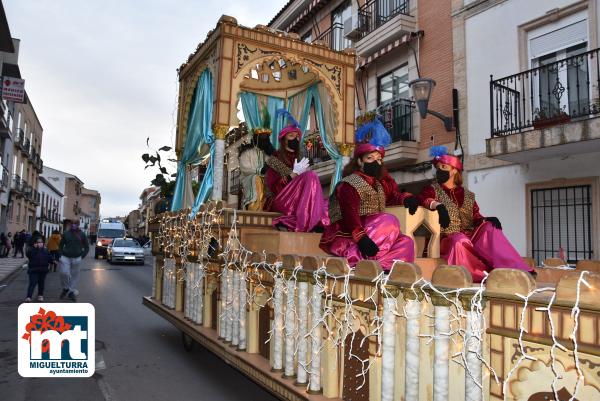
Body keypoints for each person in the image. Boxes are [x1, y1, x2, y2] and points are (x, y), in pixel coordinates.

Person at [417, 146, 535, 282]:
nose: (439, 170)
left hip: (469, 235)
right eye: (438, 167)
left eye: (444, 167)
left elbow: (476, 217)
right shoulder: (432, 189)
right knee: (459, 240)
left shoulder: (468, 195)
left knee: (490, 228)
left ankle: (517, 270)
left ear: (454, 170)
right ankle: (482, 275)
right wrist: (438, 206)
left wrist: (487, 220)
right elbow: (425, 200)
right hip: (445, 239)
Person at [320, 118, 419, 271]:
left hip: (377, 233)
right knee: (389, 220)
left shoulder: (379, 184)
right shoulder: (348, 184)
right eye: (370, 158)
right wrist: (361, 238)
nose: (375, 162)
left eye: (378, 159)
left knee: (407, 242)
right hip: (351, 235)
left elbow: (393, 197)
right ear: (360, 161)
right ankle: (357, 258)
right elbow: (349, 214)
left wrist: (407, 198)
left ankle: (379, 267)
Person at [264, 110, 328, 232]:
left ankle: (312, 221)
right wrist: (292, 175)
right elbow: (274, 189)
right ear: (284, 139)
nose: (296, 139)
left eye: (297, 136)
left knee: (329, 203)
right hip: (282, 200)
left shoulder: (301, 158)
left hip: (300, 200)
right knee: (311, 175)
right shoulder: (275, 159)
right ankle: (308, 223)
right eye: (291, 136)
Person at [239, 129, 273, 211]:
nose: (264, 140)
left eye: (266, 138)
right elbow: (245, 168)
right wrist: (260, 170)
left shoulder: (269, 154)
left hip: (266, 178)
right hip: (250, 178)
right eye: (262, 138)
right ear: (256, 139)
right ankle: (255, 207)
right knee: (256, 178)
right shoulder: (247, 153)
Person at [58, 221, 89, 301]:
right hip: (65, 256)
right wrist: (60, 255)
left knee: (75, 275)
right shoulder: (66, 233)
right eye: (72, 224)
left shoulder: (82, 234)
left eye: (75, 224)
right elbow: (61, 245)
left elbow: (87, 247)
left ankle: (71, 291)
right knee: (63, 273)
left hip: (77, 257)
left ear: (78, 225)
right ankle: (65, 288)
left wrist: (82, 256)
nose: (73, 225)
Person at [25, 235, 53, 302]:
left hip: (43, 270)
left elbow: (49, 258)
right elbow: (29, 255)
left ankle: (40, 295)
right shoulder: (31, 250)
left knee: (41, 283)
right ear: (35, 243)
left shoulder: (45, 250)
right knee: (32, 283)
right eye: (38, 242)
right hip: (33, 270)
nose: (40, 243)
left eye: (41, 242)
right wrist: (36, 249)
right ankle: (29, 297)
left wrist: (53, 261)